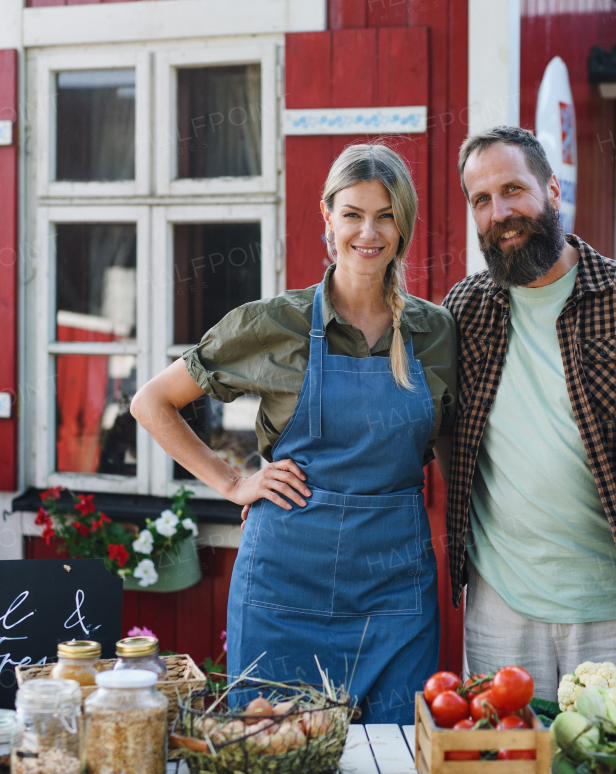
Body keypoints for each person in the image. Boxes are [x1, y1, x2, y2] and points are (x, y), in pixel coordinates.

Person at [131, 144, 456, 724]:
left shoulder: (434, 332)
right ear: (326, 217)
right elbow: (151, 402)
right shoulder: (273, 323)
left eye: (385, 215)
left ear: (403, 221)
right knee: (274, 749)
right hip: (285, 587)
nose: (369, 231)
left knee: (397, 753)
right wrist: (232, 483)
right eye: (353, 213)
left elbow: (453, 445)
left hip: (394, 590)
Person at [435, 126, 616, 703]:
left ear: (552, 191)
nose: (500, 213)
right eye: (481, 199)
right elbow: (441, 428)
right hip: (499, 609)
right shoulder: (464, 309)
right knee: (510, 766)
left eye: (513, 190)